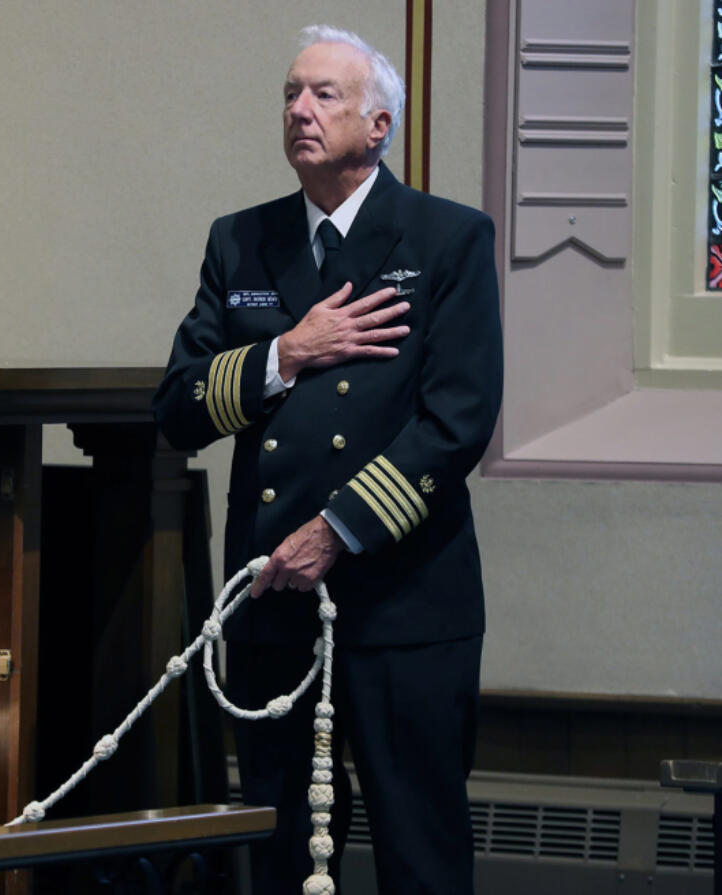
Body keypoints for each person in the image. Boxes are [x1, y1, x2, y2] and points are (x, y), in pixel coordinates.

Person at [152, 24, 503, 895]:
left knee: (418, 850)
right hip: (274, 598)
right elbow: (178, 408)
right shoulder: (240, 241)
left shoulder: (446, 239)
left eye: (324, 95)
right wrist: (288, 351)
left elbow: (458, 420)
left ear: (379, 124)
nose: (299, 110)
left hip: (405, 604)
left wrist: (338, 530)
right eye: (290, 94)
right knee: (278, 855)